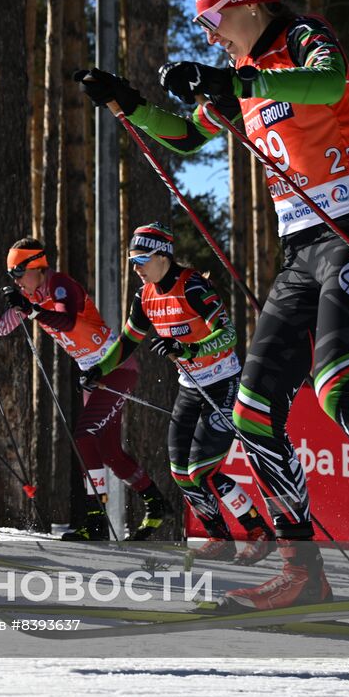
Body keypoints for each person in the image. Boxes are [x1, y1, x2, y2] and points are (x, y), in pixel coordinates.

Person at [76, 0, 349, 607]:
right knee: (251, 412)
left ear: (250, 3)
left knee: (342, 386)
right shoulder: (242, 71)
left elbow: (328, 81)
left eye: (213, 20)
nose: (211, 37)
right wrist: (129, 104)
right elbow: (188, 137)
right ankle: (301, 571)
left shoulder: (301, 37)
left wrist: (242, 87)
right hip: (298, 249)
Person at [0, 238, 170, 541]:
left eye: (18, 273)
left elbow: (66, 322)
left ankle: (95, 519)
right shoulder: (30, 296)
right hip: (93, 377)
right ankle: (156, 503)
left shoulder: (59, 284)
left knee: (84, 436)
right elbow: (1, 328)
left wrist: (31, 310)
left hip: (115, 369)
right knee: (108, 451)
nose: (15, 281)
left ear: (37, 266)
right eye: (11, 276)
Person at [85, 222, 275, 560]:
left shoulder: (193, 287)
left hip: (222, 384)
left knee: (201, 469)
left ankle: (258, 530)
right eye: (132, 261)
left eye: (142, 260)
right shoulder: (144, 296)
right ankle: (220, 536)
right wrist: (100, 368)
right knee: (180, 472)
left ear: (163, 256)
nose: (137, 268)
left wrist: (188, 349)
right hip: (189, 388)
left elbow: (228, 334)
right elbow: (128, 341)